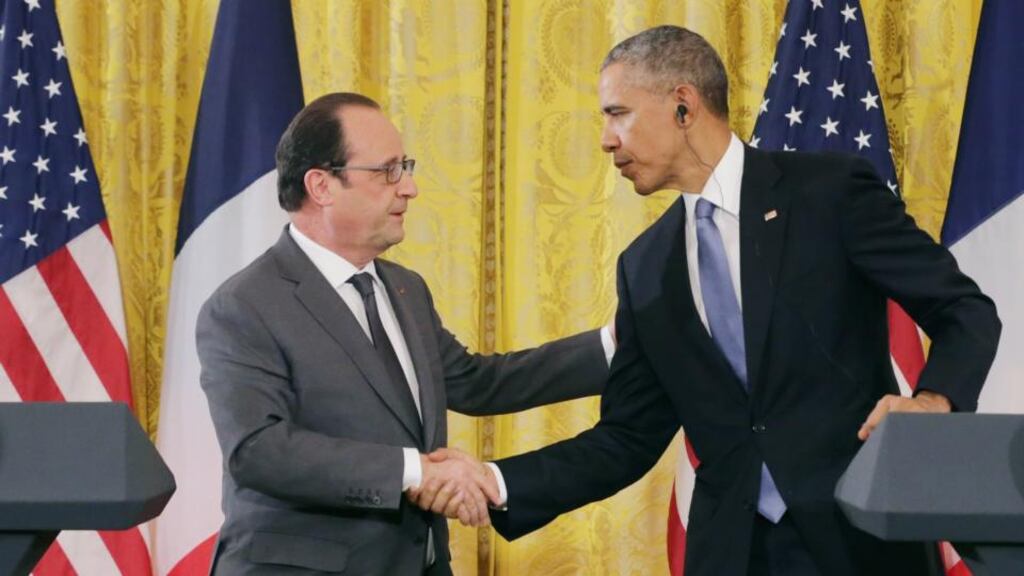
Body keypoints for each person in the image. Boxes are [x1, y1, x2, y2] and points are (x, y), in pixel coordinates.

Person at [422, 25, 1001, 576]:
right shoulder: (647, 268)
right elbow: (625, 438)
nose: (606, 139)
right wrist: (495, 482)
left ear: (683, 104)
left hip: (859, 541)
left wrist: (932, 402)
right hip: (731, 554)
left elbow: (964, 310)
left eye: (617, 113)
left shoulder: (828, 193)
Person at [196, 92, 612, 575]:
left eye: (406, 167)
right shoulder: (244, 305)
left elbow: (476, 382)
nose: (410, 188)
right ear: (321, 185)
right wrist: (416, 471)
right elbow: (259, 450)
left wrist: (613, 345)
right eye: (388, 171)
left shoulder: (404, 287)